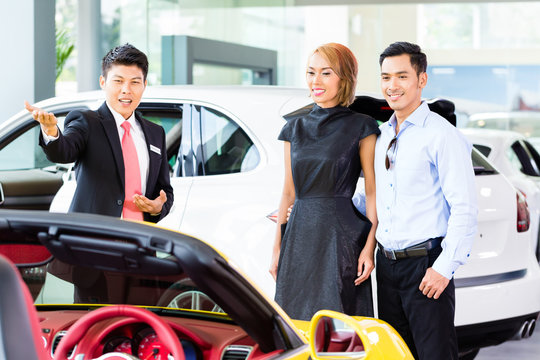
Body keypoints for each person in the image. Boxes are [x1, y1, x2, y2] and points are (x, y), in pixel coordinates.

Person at [373, 42, 477, 359]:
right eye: (386, 77)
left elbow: (465, 208)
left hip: (426, 265)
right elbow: (375, 197)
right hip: (387, 267)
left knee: (434, 354)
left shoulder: (441, 135)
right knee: (397, 354)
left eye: (402, 76)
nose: (392, 86)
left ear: (422, 80)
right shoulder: (383, 135)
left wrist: (444, 267)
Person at [269, 43, 380, 321]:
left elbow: (372, 192)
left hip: (341, 236)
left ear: (345, 77)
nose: (315, 81)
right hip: (299, 236)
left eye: (326, 73)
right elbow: (288, 192)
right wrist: (277, 249)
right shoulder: (293, 127)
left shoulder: (362, 126)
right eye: (311, 72)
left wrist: (370, 246)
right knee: (296, 325)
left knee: (341, 324)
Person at [25, 43, 173, 223]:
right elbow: (63, 151)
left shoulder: (156, 133)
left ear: (144, 84)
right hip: (94, 237)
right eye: (118, 81)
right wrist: (51, 131)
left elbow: (165, 190)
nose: (126, 89)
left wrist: (159, 208)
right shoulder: (86, 122)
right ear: (103, 82)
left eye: (134, 82)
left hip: (140, 238)